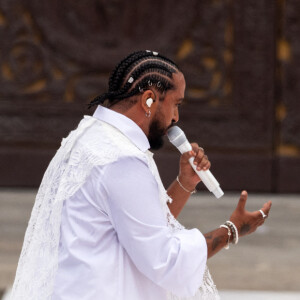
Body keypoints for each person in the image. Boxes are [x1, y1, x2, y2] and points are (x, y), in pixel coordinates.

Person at [10, 50, 272, 300]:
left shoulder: (91, 136)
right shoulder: (121, 159)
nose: (176, 117)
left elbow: (140, 227)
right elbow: (164, 260)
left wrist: (184, 182)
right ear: (149, 99)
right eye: (176, 104)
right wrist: (233, 229)